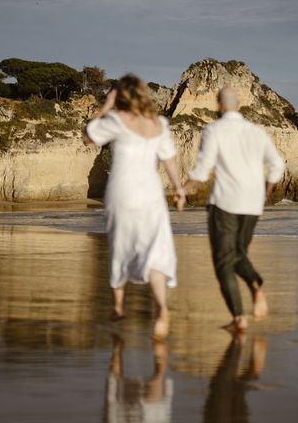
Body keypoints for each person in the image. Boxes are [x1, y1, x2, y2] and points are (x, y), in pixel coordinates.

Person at [83, 74, 185, 339]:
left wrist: (105, 108)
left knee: (120, 246)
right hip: (152, 196)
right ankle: (161, 308)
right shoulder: (159, 124)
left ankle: (118, 307)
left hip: (122, 194)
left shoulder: (116, 121)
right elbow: (170, 161)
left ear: (122, 97)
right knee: (155, 251)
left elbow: (87, 137)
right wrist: (179, 190)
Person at [181, 87, 285, 332]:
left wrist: (184, 190)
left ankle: (239, 318)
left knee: (224, 261)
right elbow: (277, 165)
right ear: (238, 106)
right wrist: (266, 191)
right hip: (252, 203)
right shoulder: (257, 132)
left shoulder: (213, 130)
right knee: (238, 253)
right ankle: (255, 287)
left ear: (218, 106)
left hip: (225, 203)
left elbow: (203, 168)